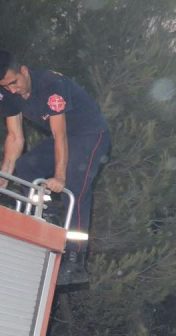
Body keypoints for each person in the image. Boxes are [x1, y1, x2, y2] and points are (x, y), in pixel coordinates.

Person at [0, 50, 110, 287]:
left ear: (24, 71)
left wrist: (59, 176)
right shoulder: (7, 94)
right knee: (26, 166)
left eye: (14, 82)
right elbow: (15, 137)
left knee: (74, 185)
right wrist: (5, 175)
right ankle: (46, 214)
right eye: (5, 86)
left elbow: (60, 136)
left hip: (90, 134)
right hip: (66, 136)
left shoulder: (52, 86)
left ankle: (75, 258)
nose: (12, 90)